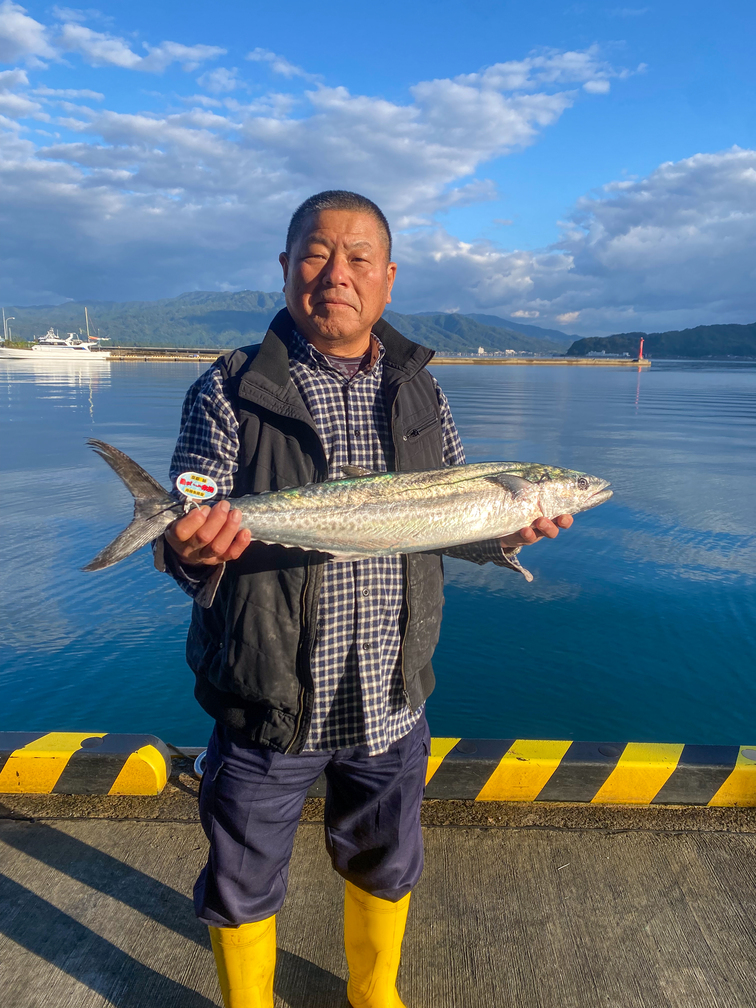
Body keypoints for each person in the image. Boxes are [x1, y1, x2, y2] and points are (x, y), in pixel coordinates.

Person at [156, 190, 573, 1008]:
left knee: (386, 864)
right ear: (285, 269)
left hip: (389, 696)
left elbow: (447, 522)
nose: (335, 274)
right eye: (316, 253)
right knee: (241, 876)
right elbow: (194, 513)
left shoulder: (423, 393)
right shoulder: (229, 386)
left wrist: (502, 538)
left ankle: (374, 996)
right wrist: (182, 543)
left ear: (387, 279)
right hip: (266, 698)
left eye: (357, 259)